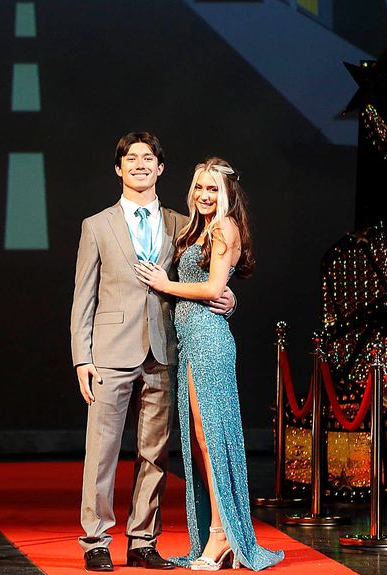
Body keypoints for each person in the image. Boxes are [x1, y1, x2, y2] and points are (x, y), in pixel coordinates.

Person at [71, 133, 235, 572]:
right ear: (119, 168)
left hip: (164, 350)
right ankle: (96, 541)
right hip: (109, 353)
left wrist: (231, 298)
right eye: (131, 158)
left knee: (155, 453)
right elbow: (82, 296)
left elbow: (213, 271)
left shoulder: (185, 224)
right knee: (101, 451)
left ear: (161, 169)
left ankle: (143, 539)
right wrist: (81, 357)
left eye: (149, 158)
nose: (140, 164)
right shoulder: (97, 225)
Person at [136, 158, 284, 571]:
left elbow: (215, 287)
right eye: (199, 187)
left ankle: (221, 535)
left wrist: (166, 285)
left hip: (208, 343)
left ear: (228, 193)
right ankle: (220, 531)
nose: (204, 195)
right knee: (200, 439)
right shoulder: (195, 229)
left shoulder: (224, 227)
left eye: (213, 189)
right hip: (191, 342)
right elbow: (218, 291)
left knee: (210, 439)